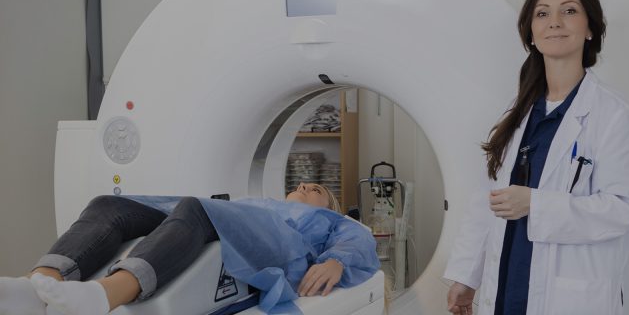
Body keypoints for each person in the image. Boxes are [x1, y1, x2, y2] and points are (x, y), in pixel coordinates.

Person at [444, 0, 629, 315]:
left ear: (590, 28)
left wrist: (536, 205)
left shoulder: (615, 115)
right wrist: (466, 276)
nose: (554, 22)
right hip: (507, 284)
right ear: (531, 34)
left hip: (569, 294)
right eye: (542, 13)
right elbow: (487, 200)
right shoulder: (516, 111)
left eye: (569, 11)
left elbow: (625, 208)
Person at [0, 182, 379, 315]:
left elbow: (357, 242)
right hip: (238, 220)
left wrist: (335, 262)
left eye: (317, 190)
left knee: (197, 208)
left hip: (281, 244)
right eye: (300, 186)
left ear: (328, 206)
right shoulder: (257, 201)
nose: (305, 188)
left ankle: (104, 295)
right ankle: (37, 286)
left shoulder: (332, 223)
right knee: (108, 205)